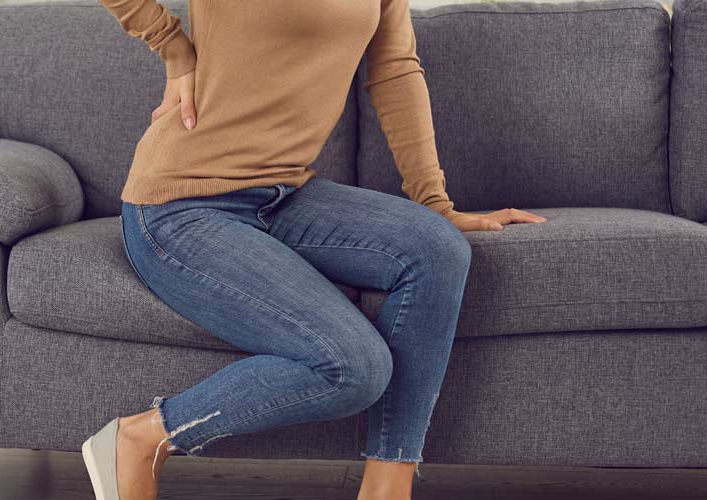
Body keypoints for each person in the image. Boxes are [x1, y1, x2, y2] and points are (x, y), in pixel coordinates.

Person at [81, 2, 547, 500]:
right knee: (354, 367)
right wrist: (170, 44)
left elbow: (394, 70)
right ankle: (143, 436)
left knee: (437, 248)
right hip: (181, 207)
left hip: (283, 193)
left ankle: (387, 487)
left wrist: (435, 201)